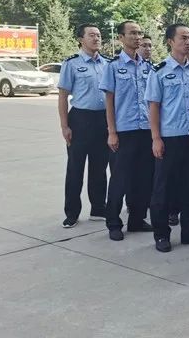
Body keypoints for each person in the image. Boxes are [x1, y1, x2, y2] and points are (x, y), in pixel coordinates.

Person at [146, 23, 189, 252]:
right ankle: (161, 234)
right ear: (170, 41)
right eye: (183, 38)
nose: (188, 42)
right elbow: (154, 106)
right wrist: (156, 138)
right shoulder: (160, 71)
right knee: (164, 188)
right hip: (169, 137)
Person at [100, 21, 154, 241]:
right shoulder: (113, 67)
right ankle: (113, 222)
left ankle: (137, 219)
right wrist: (112, 132)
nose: (137, 37)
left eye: (140, 33)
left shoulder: (149, 67)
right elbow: (109, 102)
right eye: (132, 33)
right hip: (124, 131)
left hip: (146, 130)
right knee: (120, 179)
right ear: (121, 38)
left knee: (143, 179)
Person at [58, 24, 110, 228]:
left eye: (98, 35)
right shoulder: (72, 64)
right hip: (80, 120)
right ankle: (72, 212)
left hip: (103, 120)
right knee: (75, 168)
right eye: (91, 35)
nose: (96, 38)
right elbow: (63, 97)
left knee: (100, 166)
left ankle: (98, 208)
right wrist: (65, 126)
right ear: (81, 39)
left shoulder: (107, 64)